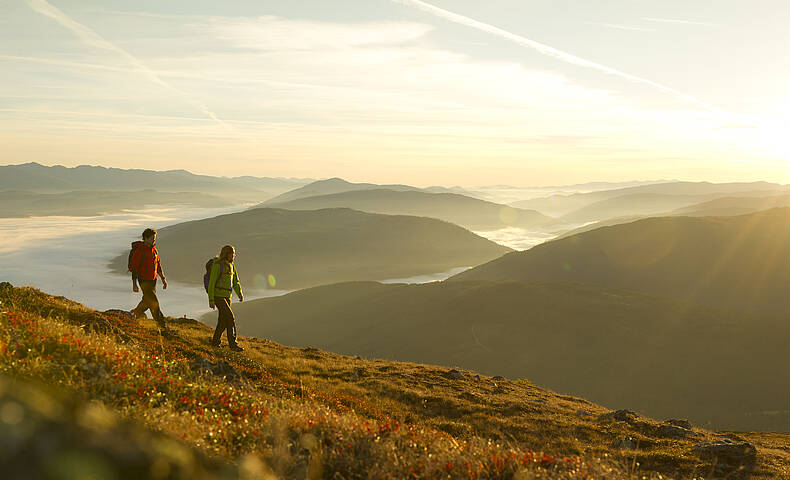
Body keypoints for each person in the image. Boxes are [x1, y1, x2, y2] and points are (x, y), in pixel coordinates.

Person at [129, 228, 168, 332]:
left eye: (154, 239)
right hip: (144, 281)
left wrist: (163, 279)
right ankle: (162, 326)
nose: (153, 241)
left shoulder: (154, 250)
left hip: (153, 280)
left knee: (147, 302)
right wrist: (134, 284)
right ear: (145, 238)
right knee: (154, 303)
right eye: (152, 239)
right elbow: (134, 269)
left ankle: (133, 315)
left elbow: (158, 265)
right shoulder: (139, 251)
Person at [207, 245, 244, 351]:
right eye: (231, 253)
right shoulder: (217, 265)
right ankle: (233, 345)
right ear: (226, 254)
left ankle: (215, 342)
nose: (233, 255)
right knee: (230, 318)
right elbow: (212, 283)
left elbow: (235, 281)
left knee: (223, 321)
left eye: (234, 253)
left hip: (228, 297)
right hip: (218, 297)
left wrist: (240, 294)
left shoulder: (231, 265)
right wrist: (211, 300)